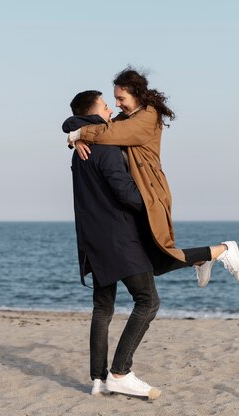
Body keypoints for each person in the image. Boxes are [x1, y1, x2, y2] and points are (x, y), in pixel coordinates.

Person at [67, 68, 239, 288]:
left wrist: (80, 135)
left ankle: (226, 249)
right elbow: (80, 123)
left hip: (150, 195)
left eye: (121, 98)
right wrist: (76, 138)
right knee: (157, 263)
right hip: (137, 194)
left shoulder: (148, 116)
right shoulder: (124, 119)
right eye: (114, 99)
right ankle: (205, 257)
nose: (117, 104)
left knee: (156, 260)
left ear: (137, 95)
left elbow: (108, 132)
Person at [64, 90, 163, 399]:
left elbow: (70, 122)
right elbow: (125, 194)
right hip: (119, 239)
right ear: (93, 112)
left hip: (92, 241)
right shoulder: (105, 149)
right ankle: (120, 371)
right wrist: (151, 202)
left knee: (103, 308)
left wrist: (75, 134)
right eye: (106, 105)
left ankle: (97, 379)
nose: (111, 108)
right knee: (147, 301)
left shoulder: (79, 150)